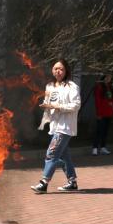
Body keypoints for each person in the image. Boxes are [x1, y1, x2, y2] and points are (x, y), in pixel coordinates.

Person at [31, 60, 81, 193]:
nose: (58, 71)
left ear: (66, 71)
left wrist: (58, 107)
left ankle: (44, 183)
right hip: (54, 126)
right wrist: (46, 106)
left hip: (65, 126)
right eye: (55, 69)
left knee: (51, 153)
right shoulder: (50, 86)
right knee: (64, 155)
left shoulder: (72, 86)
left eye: (61, 69)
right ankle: (72, 182)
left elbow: (76, 105)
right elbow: (48, 103)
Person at [92, 72, 113, 156]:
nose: (108, 79)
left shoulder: (110, 87)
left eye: (110, 77)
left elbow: (112, 98)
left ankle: (103, 147)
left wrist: (112, 104)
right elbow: (97, 100)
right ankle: (95, 147)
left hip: (109, 112)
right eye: (107, 77)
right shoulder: (99, 87)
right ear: (103, 77)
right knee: (99, 130)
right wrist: (98, 113)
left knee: (106, 130)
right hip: (102, 112)